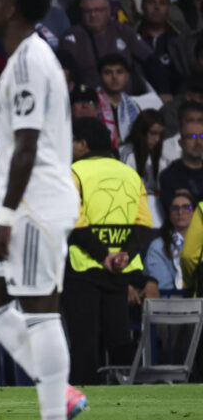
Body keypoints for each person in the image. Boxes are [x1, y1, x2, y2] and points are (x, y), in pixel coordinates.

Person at [0, 0, 87, 420]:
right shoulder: (24, 57)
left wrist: (5, 216)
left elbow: (27, 147)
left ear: (12, 6)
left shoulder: (29, 61)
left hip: (35, 203)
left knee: (40, 310)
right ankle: (61, 389)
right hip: (27, 202)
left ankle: (54, 410)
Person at [64, 116, 153, 385]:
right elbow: (144, 223)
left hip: (84, 268)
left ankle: (84, 403)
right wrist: (124, 253)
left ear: (83, 144)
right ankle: (127, 402)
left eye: (73, 141)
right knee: (118, 338)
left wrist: (104, 255)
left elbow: (73, 221)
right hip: (120, 270)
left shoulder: (74, 172)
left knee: (84, 343)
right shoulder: (130, 174)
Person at [120, 109, 168, 225]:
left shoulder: (160, 157)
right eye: (153, 133)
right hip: (132, 211)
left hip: (155, 211)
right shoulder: (127, 153)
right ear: (141, 132)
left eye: (160, 134)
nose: (156, 139)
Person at [145, 191, 194, 290]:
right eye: (175, 208)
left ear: (194, 212)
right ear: (169, 215)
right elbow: (164, 288)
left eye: (186, 207)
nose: (180, 212)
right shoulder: (158, 246)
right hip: (172, 301)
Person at [159, 102, 203, 209]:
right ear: (181, 142)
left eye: (201, 136)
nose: (198, 142)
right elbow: (177, 214)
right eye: (191, 137)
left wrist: (190, 198)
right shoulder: (169, 176)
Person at [96, 54, 142, 147]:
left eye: (119, 72)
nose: (114, 77)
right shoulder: (92, 103)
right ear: (99, 76)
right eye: (108, 73)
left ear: (127, 76)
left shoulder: (134, 106)